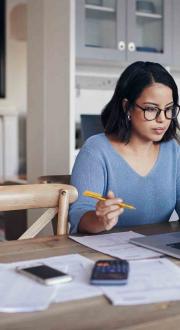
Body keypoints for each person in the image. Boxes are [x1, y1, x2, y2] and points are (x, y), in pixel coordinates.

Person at [69, 61, 180, 234]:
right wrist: (100, 219)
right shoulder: (96, 151)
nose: (163, 119)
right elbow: (79, 216)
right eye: (151, 109)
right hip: (105, 256)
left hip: (158, 255)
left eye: (169, 109)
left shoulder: (173, 150)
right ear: (127, 107)